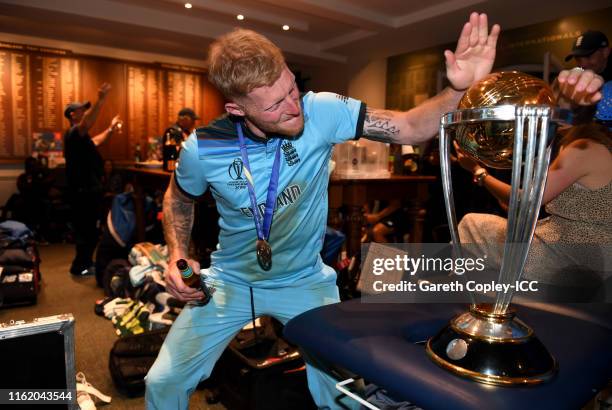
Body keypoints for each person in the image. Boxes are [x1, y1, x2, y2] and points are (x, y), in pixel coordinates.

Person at [145, 13, 601, 409]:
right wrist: (176, 254)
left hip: (303, 281)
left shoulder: (319, 110)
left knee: (342, 391)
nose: (292, 106)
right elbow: (179, 197)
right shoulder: (203, 147)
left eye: (291, 88)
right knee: (162, 381)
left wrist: (456, 89)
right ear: (235, 108)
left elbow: (408, 126)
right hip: (229, 280)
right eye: (275, 105)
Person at [455, 119, 612, 291]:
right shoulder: (602, 147)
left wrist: (478, 171)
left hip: (569, 257)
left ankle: (467, 298)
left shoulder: (583, 148)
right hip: (598, 258)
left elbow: (525, 201)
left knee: (472, 224)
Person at [63, 83, 121, 276]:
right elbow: (87, 123)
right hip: (82, 193)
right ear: (73, 115)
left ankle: (85, 262)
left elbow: (97, 140)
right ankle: (80, 265)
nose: (85, 113)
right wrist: (101, 100)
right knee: (85, 231)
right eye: (82, 110)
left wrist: (111, 129)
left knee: (90, 230)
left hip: (89, 192)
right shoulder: (73, 133)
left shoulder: (82, 139)